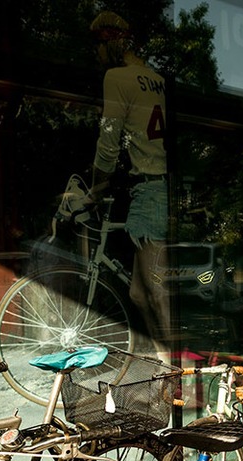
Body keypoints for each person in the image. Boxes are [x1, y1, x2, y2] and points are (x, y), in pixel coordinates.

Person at [89, 11, 171, 354]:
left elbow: (109, 140)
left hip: (150, 187)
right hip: (151, 186)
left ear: (109, 43)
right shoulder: (156, 79)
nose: (96, 55)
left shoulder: (116, 77)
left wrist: (96, 186)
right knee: (138, 292)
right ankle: (165, 355)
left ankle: (176, 365)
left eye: (97, 47)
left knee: (155, 289)